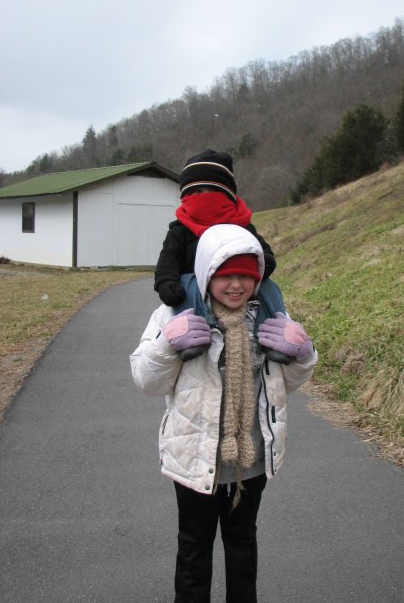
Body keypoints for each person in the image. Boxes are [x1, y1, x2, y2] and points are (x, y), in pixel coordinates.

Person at [131, 224, 317, 603]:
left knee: (242, 545)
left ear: (258, 277)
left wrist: (303, 354)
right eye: (225, 275)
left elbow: (287, 383)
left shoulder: (269, 314)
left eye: (246, 276)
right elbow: (146, 381)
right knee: (194, 549)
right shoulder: (174, 313)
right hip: (194, 458)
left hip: (251, 461)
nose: (236, 285)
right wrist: (167, 345)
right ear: (206, 273)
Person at [154, 148, 276, 308]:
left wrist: (261, 265)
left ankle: (277, 320)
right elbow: (167, 262)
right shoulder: (180, 231)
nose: (206, 197)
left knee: (268, 288)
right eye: (198, 191)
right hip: (194, 302)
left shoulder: (242, 226)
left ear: (228, 195)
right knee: (187, 284)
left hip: (238, 295)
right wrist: (167, 283)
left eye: (214, 191)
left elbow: (262, 252)